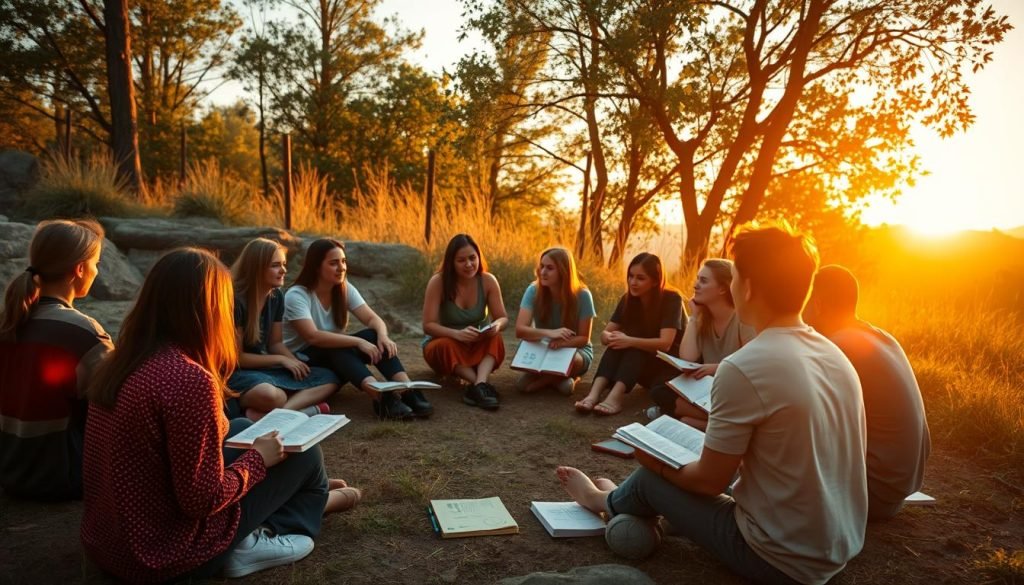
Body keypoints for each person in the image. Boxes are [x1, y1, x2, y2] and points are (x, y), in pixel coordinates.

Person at [555, 224, 868, 585]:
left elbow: (708, 481)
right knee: (702, 467)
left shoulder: (745, 366)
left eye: (734, 276)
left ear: (747, 287)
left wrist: (650, 460)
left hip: (780, 559)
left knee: (649, 480)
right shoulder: (834, 354)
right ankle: (641, 511)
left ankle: (601, 501)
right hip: (839, 544)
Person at [81, 248, 360, 583]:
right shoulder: (188, 379)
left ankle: (299, 493)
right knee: (304, 454)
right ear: (209, 308)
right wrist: (258, 460)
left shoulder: (121, 361)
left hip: (113, 543)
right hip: (166, 557)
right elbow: (203, 500)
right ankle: (266, 534)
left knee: (242, 425)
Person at [804, 264, 931, 521]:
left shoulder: (838, 347)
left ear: (816, 304)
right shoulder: (879, 336)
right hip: (896, 491)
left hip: (871, 496)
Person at [0, 219, 113, 501]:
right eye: (96, 263)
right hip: (60, 477)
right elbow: (118, 401)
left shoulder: (8, 321)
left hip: (8, 471)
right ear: (79, 269)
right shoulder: (83, 331)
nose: (97, 271)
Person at [283, 238, 432, 420]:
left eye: (343, 261)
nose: (342, 268)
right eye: (333, 263)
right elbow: (313, 337)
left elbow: (371, 318)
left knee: (372, 334)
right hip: (303, 362)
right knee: (340, 347)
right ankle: (381, 397)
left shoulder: (343, 288)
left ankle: (407, 389)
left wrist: (383, 336)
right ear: (316, 266)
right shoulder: (297, 295)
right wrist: (359, 342)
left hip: (332, 355)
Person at [228, 238, 339, 420]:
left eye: (284, 264)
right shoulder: (236, 302)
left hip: (263, 367)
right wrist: (282, 359)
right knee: (272, 396)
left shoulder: (276, 296)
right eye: (275, 265)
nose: (283, 271)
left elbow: (276, 343)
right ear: (257, 268)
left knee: (329, 378)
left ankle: (281, 414)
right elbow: (237, 358)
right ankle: (293, 410)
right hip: (237, 372)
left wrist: (293, 362)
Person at [648, 258, 755, 427]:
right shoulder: (703, 318)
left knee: (678, 408)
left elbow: (754, 362)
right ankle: (711, 422)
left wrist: (716, 367)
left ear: (722, 288)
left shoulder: (743, 319)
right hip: (709, 388)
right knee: (659, 389)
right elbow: (688, 357)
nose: (696, 285)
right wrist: (694, 317)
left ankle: (702, 421)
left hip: (735, 388)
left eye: (703, 281)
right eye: (697, 279)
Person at [574, 253, 682, 416]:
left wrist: (630, 341)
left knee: (634, 345)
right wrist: (609, 337)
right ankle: (594, 394)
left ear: (654, 281)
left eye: (640, 278)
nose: (633, 282)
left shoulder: (672, 299)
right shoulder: (629, 299)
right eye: (630, 276)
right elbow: (605, 334)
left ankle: (615, 398)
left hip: (666, 368)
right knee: (619, 341)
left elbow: (666, 343)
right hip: (641, 367)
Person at [422, 234, 509, 410]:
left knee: (496, 337)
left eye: (472, 258)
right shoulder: (438, 282)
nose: (469, 264)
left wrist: (496, 325)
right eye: (461, 260)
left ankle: (479, 384)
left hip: (476, 343)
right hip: (447, 345)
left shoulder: (488, 281)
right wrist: (457, 334)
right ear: (451, 262)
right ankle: (479, 384)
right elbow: (428, 325)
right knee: (445, 344)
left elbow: (503, 318)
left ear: (478, 257)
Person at [514, 247, 595, 396]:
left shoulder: (583, 295)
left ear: (564, 271)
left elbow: (584, 338)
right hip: (544, 344)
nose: (543, 272)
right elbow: (520, 330)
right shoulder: (533, 290)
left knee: (574, 361)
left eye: (550, 268)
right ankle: (558, 377)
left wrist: (562, 343)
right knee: (521, 381)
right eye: (542, 266)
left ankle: (544, 379)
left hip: (574, 349)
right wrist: (550, 333)